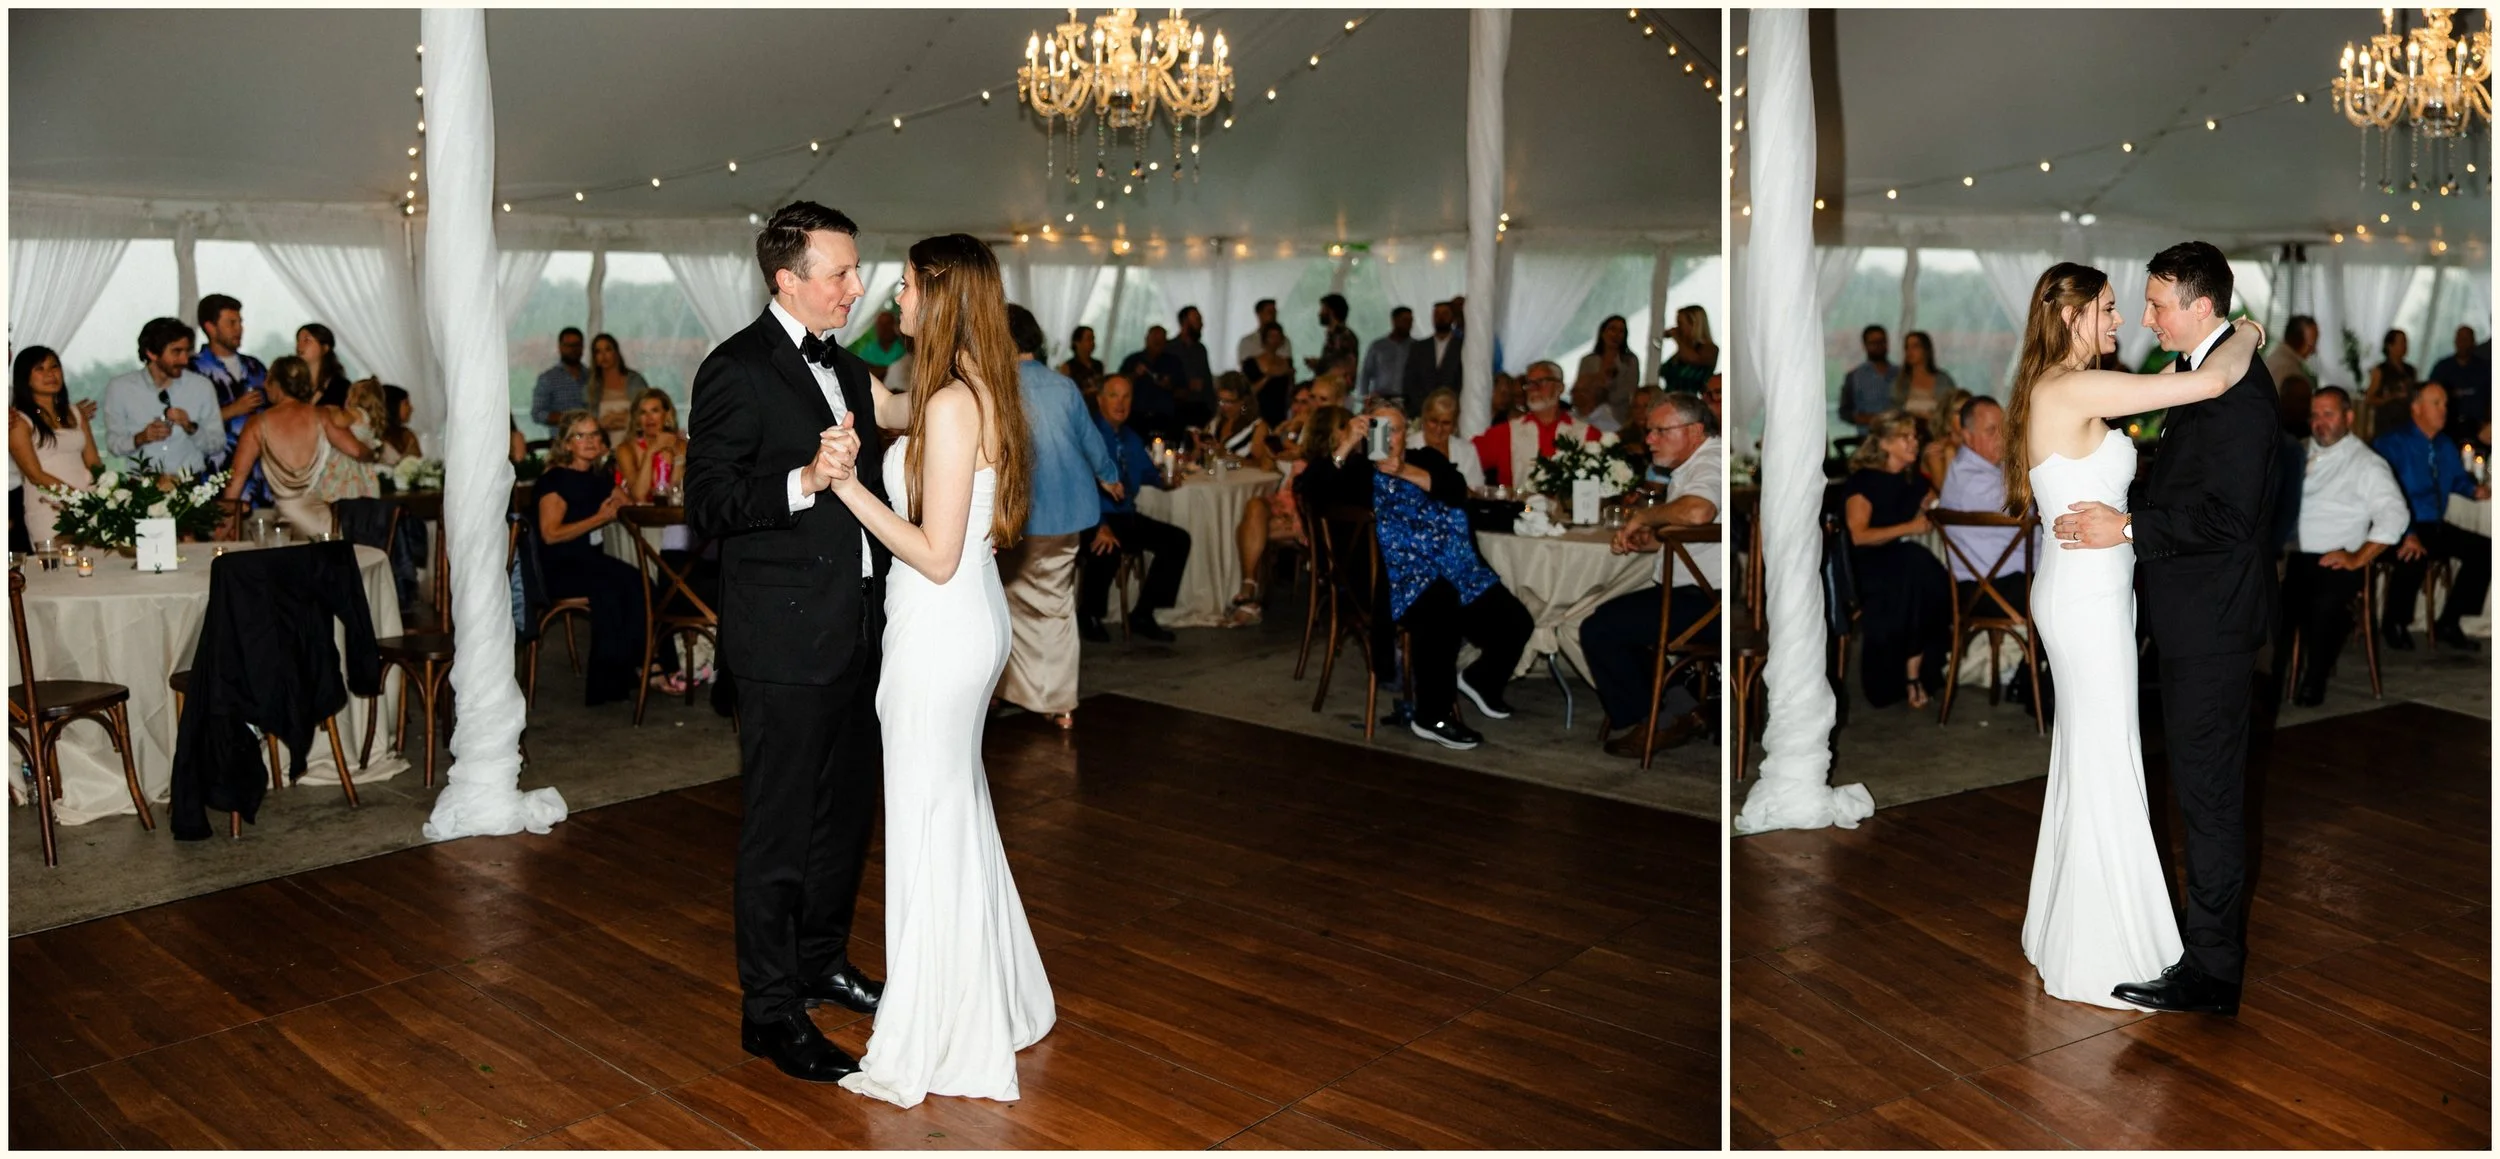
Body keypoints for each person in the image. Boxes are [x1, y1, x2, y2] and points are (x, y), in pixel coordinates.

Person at [811, 233, 1054, 1109]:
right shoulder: (968, 389)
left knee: (926, 820)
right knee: (956, 809)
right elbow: (886, 406)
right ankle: (994, 993)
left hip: (942, 621)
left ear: (939, 296)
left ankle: (939, 1028)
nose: (895, 299)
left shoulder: (952, 402)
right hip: (966, 620)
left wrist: (844, 489)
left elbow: (937, 552)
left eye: (908, 287)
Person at [683, 200, 892, 1086]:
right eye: (840, 272)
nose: (856, 286)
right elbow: (709, 505)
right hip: (782, 641)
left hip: (859, 630)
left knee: (844, 816)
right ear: (788, 278)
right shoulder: (735, 368)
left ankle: (820, 960)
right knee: (777, 831)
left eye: (855, 269)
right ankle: (768, 1011)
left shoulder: (847, 364)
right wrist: (803, 479)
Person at [2037, 245, 2272, 1018]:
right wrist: (2250, 332)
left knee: (2187, 789)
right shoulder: (2087, 385)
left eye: (2151, 304)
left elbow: (2226, 511)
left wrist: (2131, 522)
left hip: (2189, 615)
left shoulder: (2224, 389)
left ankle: (2200, 966)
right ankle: (2123, 940)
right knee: (2121, 769)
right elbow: (2198, 380)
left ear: (2199, 307)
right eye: (2116, 306)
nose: (2137, 318)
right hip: (2103, 601)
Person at [1298, 400, 1533, 751]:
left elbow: (1457, 491)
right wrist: (1346, 443)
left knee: (1517, 621)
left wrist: (1405, 471)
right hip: (1392, 579)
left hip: (1455, 566)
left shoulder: (1425, 459)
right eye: (1378, 428)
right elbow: (1309, 490)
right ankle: (1432, 715)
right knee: (1442, 603)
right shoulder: (1355, 471)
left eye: (1394, 429)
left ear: (1406, 433)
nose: (1387, 437)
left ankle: (1480, 680)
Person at [1580, 392, 1722, 756]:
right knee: (1612, 620)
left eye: (1660, 430)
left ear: (1693, 430)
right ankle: (1680, 710)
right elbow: (1703, 535)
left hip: (1712, 605)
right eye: (1648, 430)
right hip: (1698, 595)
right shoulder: (1694, 465)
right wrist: (1655, 543)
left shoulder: (1712, 462)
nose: (1649, 440)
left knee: (1602, 629)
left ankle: (1658, 721)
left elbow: (1699, 513)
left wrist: (1644, 516)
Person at [997, 303, 1118, 729]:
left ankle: (1019, 691)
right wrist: (1110, 477)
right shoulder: (1063, 386)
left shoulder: (996, 387)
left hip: (1023, 516)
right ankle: (1057, 700)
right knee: (1056, 605)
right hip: (1071, 513)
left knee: (1010, 605)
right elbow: (1091, 441)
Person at [535, 409, 683, 702]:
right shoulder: (555, 479)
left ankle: (648, 664)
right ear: (566, 444)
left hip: (590, 562)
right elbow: (550, 534)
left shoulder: (599, 478)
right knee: (621, 585)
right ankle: (626, 674)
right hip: (562, 566)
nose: (589, 441)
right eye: (580, 435)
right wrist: (600, 519)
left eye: (594, 435)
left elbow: (630, 506)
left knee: (641, 582)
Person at [2284, 387, 2409, 706]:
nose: (2319, 422)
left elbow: (2394, 514)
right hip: (2288, 556)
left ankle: (2315, 677)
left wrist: (2357, 557)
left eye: (2329, 414)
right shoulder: (2295, 453)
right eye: (2314, 415)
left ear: (2349, 417)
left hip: (2335, 559)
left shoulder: (2366, 463)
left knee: (2323, 600)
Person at [1933, 394, 2042, 711]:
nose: (2002, 437)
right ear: (1966, 436)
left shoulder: (1984, 468)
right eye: (1991, 430)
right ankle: (2039, 688)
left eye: (2004, 428)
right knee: (2069, 596)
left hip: (2001, 582)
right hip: (1990, 592)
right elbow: (2028, 506)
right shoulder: (1973, 480)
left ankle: (2034, 679)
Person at [1841, 414, 1951, 710]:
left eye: (1915, 436)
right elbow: (1858, 536)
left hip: (1900, 563)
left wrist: (1931, 493)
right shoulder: (1864, 481)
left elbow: (1943, 501)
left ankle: (1916, 671)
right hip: (1865, 566)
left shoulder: (1911, 480)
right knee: (1915, 571)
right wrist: (1909, 528)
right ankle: (1907, 675)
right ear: (1886, 443)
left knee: (1926, 575)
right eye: (1906, 437)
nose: (1914, 442)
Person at [2371, 381, 2491, 652]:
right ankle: (2394, 621)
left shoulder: (2444, 445)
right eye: (2436, 403)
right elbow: (2384, 494)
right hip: (2396, 526)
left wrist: (2474, 490)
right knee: (2415, 551)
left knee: (2485, 550)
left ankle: (2450, 620)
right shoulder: (2392, 444)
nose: (2443, 410)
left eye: (2445, 404)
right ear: (2416, 408)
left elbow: (2457, 479)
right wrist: (2406, 532)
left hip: (2433, 524)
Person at [1078, 375, 1190, 643]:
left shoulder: (1129, 437)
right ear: (1100, 399)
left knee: (1177, 540)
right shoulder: (1089, 435)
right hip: (1092, 517)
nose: (1121, 403)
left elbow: (1148, 474)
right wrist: (1100, 524)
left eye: (1127, 396)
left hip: (1125, 515)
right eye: (1114, 395)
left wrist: (1164, 480)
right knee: (1107, 545)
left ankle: (1144, 612)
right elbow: (1080, 484)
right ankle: (1088, 614)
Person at [220, 355, 374, 537]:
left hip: (285, 520)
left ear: (278, 385)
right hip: (321, 518)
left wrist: (225, 524)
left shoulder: (257, 424)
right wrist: (374, 452)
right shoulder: (321, 416)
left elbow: (236, 479)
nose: (264, 385)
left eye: (268, 380)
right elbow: (356, 450)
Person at [104, 317, 228, 478]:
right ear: (152, 353)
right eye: (176, 352)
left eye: (187, 351)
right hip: (141, 492)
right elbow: (114, 445)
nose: (184, 360)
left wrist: (191, 427)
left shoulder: (202, 387)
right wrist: (141, 438)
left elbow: (217, 445)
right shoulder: (120, 388)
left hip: (190, 489)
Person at [8, 347, 102, 547]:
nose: (50, 374)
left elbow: (93, 461)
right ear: (25, 378)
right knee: (58, 572)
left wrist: (103, 494)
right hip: (49, 507)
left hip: (88, 502)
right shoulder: (19, 421)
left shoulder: (75, 413)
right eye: (40, 369)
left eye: (54, 367)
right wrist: (76, 499)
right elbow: (35, 475)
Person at [1470, 360, 1598, 491]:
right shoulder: (1507, 432)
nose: (1534, 388)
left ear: (1560, 387)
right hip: (1519, 509)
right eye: (1530, 383)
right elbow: (1465, 456)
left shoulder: (1587, 434)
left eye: (1542, 382)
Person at [190, 294, 268, 473]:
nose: (239, 329)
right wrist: (234, 410)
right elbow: (187, 423)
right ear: (210, 327)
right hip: (213, 472)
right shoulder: (191, 370)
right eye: (231, 323)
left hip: (259, 473)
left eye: (240, 322)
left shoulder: (255, 367)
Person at [619, 387, 688, 503]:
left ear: (666, 415)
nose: (649, 418)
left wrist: (678, 460)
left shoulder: (681, 445)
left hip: (672, 516)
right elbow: (639, 496)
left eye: (654, 411)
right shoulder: (626, 449)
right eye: (643, 412)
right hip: (636, 517)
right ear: (637, 418)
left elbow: (676, 498)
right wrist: (651, 451)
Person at [1116, 324, 1185, 439]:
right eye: (1154, 339)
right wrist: (1135, 375)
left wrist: (1169, 386)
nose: (1157, 343)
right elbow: (1118, 386)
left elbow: (1184, 391)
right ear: (1146, 339)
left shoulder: (1173, 363)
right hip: (1135, 418)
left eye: (1161, 340)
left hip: (1163, 418)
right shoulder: (1132, 360)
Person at [1408, 387, 1485, 488]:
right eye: (1434, 421)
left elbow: (1475, 491)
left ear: (1454, 425)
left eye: (1446, 423)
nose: (1439, 429)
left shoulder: (1467, 452)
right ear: (1424, 419)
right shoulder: (1407, 446)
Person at [1574, 314, 1643, 422]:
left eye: (1621, 331)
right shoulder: (1588, 360)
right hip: (1588, 413)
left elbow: (1630, 390)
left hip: (1618, 415)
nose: (1616, 335)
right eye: (1612, 329)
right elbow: (1580, 387)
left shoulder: (1630, 361)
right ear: (1603, 332)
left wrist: (1605, 395)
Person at [587, 333, 650, 449]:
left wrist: (617, 419)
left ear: (616, 352)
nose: (603, 356)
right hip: (603, 449)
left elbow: (646, 415)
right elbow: (590, 422)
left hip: (636, 446)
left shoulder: (635, 380)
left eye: (608, 349)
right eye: (598, 352)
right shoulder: (591, 387)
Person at [1195, 373, 1272, 466]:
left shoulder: (1257, 428)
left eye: (1229, 402)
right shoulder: (1215, 423)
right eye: (1221, 400)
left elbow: (1261, 465)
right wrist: (1198, 448)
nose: (1224, 406)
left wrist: (1225, 455)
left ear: (1243, 401)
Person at [1402, 300, 1464, 415]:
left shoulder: (1463, 347)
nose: (1440, 318)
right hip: (1421, 412)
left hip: (1453, 411)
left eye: (1445, 314)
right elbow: (1410, 381)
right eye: (1437, 314)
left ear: (1452, 318)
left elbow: (1463, 382)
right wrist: (1424, 407)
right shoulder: (1419, 347)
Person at [2264, 314, 2321, 439]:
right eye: (2311, 344)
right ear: (2297, 339)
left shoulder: (2278, 358)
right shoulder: (2286, 368)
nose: (2314, 350)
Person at [2427, 325, 2488, 442]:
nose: (2463, 344)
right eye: (2460, 339)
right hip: (2447, 427)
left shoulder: (2484, 368)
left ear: (2473, 342)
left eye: (2466, 340)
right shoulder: (2443, 367)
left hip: (2477, 427)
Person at [529, 326, 590, 440]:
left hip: (590, 439)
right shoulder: (548, 379)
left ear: (582, 347)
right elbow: (537, 414)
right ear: (560, 347)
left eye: (577, 345)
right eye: (568, 345)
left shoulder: (591, 376)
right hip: (561, 442)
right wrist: (565, 418)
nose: (573, 349)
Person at [2363, 328, 2419, 442]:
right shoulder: (2380, 371)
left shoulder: (2410, 370)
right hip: (2386, 424)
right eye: (2401, 342)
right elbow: (2369, 399)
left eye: (2406, 343)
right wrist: (2391, 397)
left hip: (2407, 422)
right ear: (2390, 346)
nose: (2405, 347)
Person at [1892, 331, 1957, 428]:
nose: (1910, 351)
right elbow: (1894, 412)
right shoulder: (1900, 382)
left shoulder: (1943, 380)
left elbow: (1951, 410)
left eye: (1915, 346)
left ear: (1926, 350)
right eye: (1907, 347)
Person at [1839, 324, 1897, 432]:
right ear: (1865, 346)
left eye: (1882, 341)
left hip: (1899, 436)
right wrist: (1868, 419)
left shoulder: (1900, 374)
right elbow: (1844, 413)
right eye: (1873, 343)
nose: (1878, 346)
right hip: (1867, 438)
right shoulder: (1854, 377)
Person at [1242, 321, 1297, 427]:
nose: (1274, 340)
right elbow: (1248, 391)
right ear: (1264, 339)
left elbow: (1289, 391)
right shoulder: (1251, 363)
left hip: (1280, 413)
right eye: (1271, 336)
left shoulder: (1286, 362)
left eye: (1278, 336)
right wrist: (1268, 376)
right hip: (1258, 411)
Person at [1918, 387, 1975, 489]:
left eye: (1969, 412)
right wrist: (1950, 452)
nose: (1966, 417)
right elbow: (1947, 492)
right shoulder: (1936, 450)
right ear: (1947, 417)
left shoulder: (1976, 447)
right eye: (1959, 412)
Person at [1359, 306, 1415, 405]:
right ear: (1394, 321)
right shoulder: (1378, 346)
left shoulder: (1416, 347)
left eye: (1410, 321)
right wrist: (1365, 396)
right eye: (1404, 320)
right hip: (1380, 398)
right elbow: (1366, 374)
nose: (1408, 324)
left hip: (1407, 400)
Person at [1170, 305, 1215, 426]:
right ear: (1185, 322)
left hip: (1199, 410)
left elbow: (1207, 382)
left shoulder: (1200, 350)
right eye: (1197, 319)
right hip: (1175, 410)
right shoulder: (1169, 349)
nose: (1201, 324)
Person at [1660, 305, 1718, 395]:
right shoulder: (1681, 351)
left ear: (1694, 325)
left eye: (1680, 323)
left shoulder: (1709, 349)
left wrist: (1677, 338)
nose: (1678, 327)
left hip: (1690, 400)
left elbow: (1694, 359)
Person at [296, 323, 354, 409]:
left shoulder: (341, 387)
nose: (299, 346)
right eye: (298, 341)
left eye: (307, 340)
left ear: (325, 348)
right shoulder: (291, 384)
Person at [1307, 292, 1358, 379]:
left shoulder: (1344, 337)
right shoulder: (1334, 336)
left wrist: (1319, 365)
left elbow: (1344, 368)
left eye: (1323, 309)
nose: (1319, 313)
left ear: (1331, 311)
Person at [1234, 297, 1294, 367]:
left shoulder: (1284, 341)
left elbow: (1287, 366)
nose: (1273, 316)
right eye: (1270, 312)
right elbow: (1246, 369)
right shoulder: (1247, 342)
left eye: (1275, 312)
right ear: (1259, 314)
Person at [1059, 324, 1104, 398]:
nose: (1092, 343)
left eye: (1093, 339)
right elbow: (1065, 392)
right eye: (1088, 339)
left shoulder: (1098, 365)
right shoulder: (1068, 367)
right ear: (1077, 342)